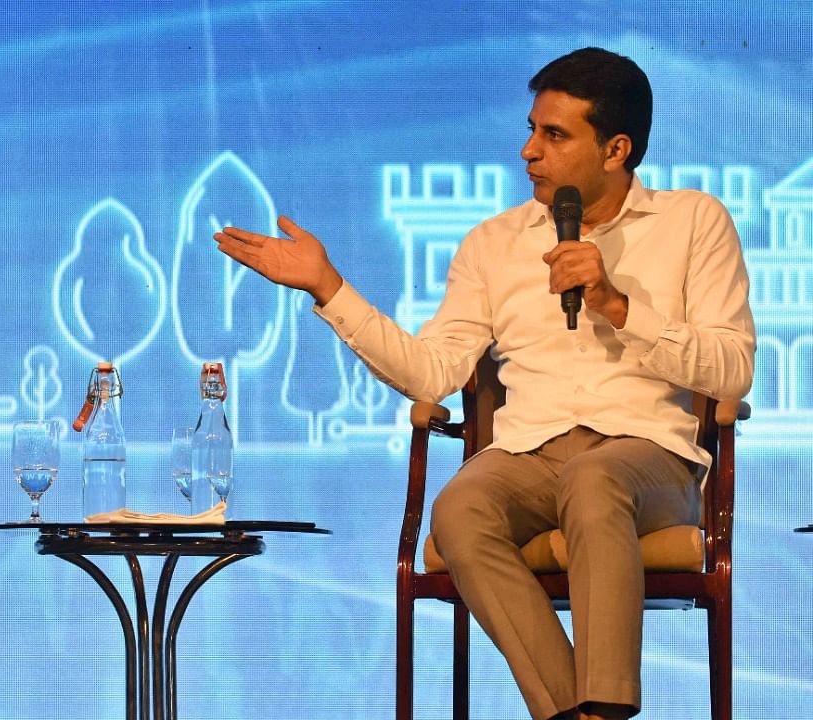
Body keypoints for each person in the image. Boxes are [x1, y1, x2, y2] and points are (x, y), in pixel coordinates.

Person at [215, 47, 754, 720]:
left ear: (616, 149)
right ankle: (580, 712)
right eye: (531, 129)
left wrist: (620, 308)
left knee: (596, 480)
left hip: (647, 456)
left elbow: (733, 368)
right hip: (529, 453)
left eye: (554, 135)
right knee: (460, 509)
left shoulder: (693, 222)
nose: (529, 151)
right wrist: (328, 288)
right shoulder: (493, 242)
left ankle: (601, 705)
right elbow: (434, 372)